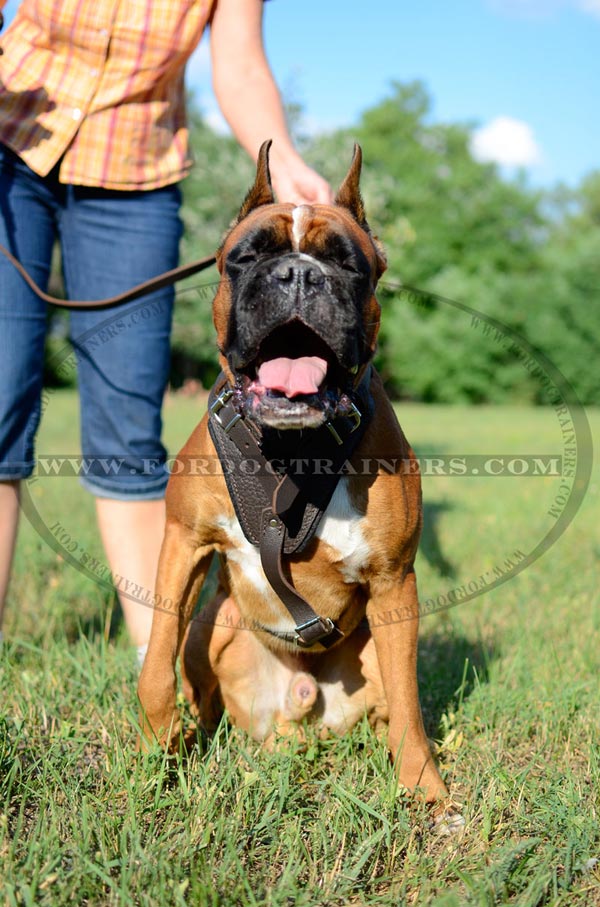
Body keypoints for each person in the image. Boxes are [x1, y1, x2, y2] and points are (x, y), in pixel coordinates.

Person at [0, 0, 332, 661]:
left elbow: (237, 63)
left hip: (136, 177)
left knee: (128, 422)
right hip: (11, 143)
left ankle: (163, 664)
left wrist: (283, 157)